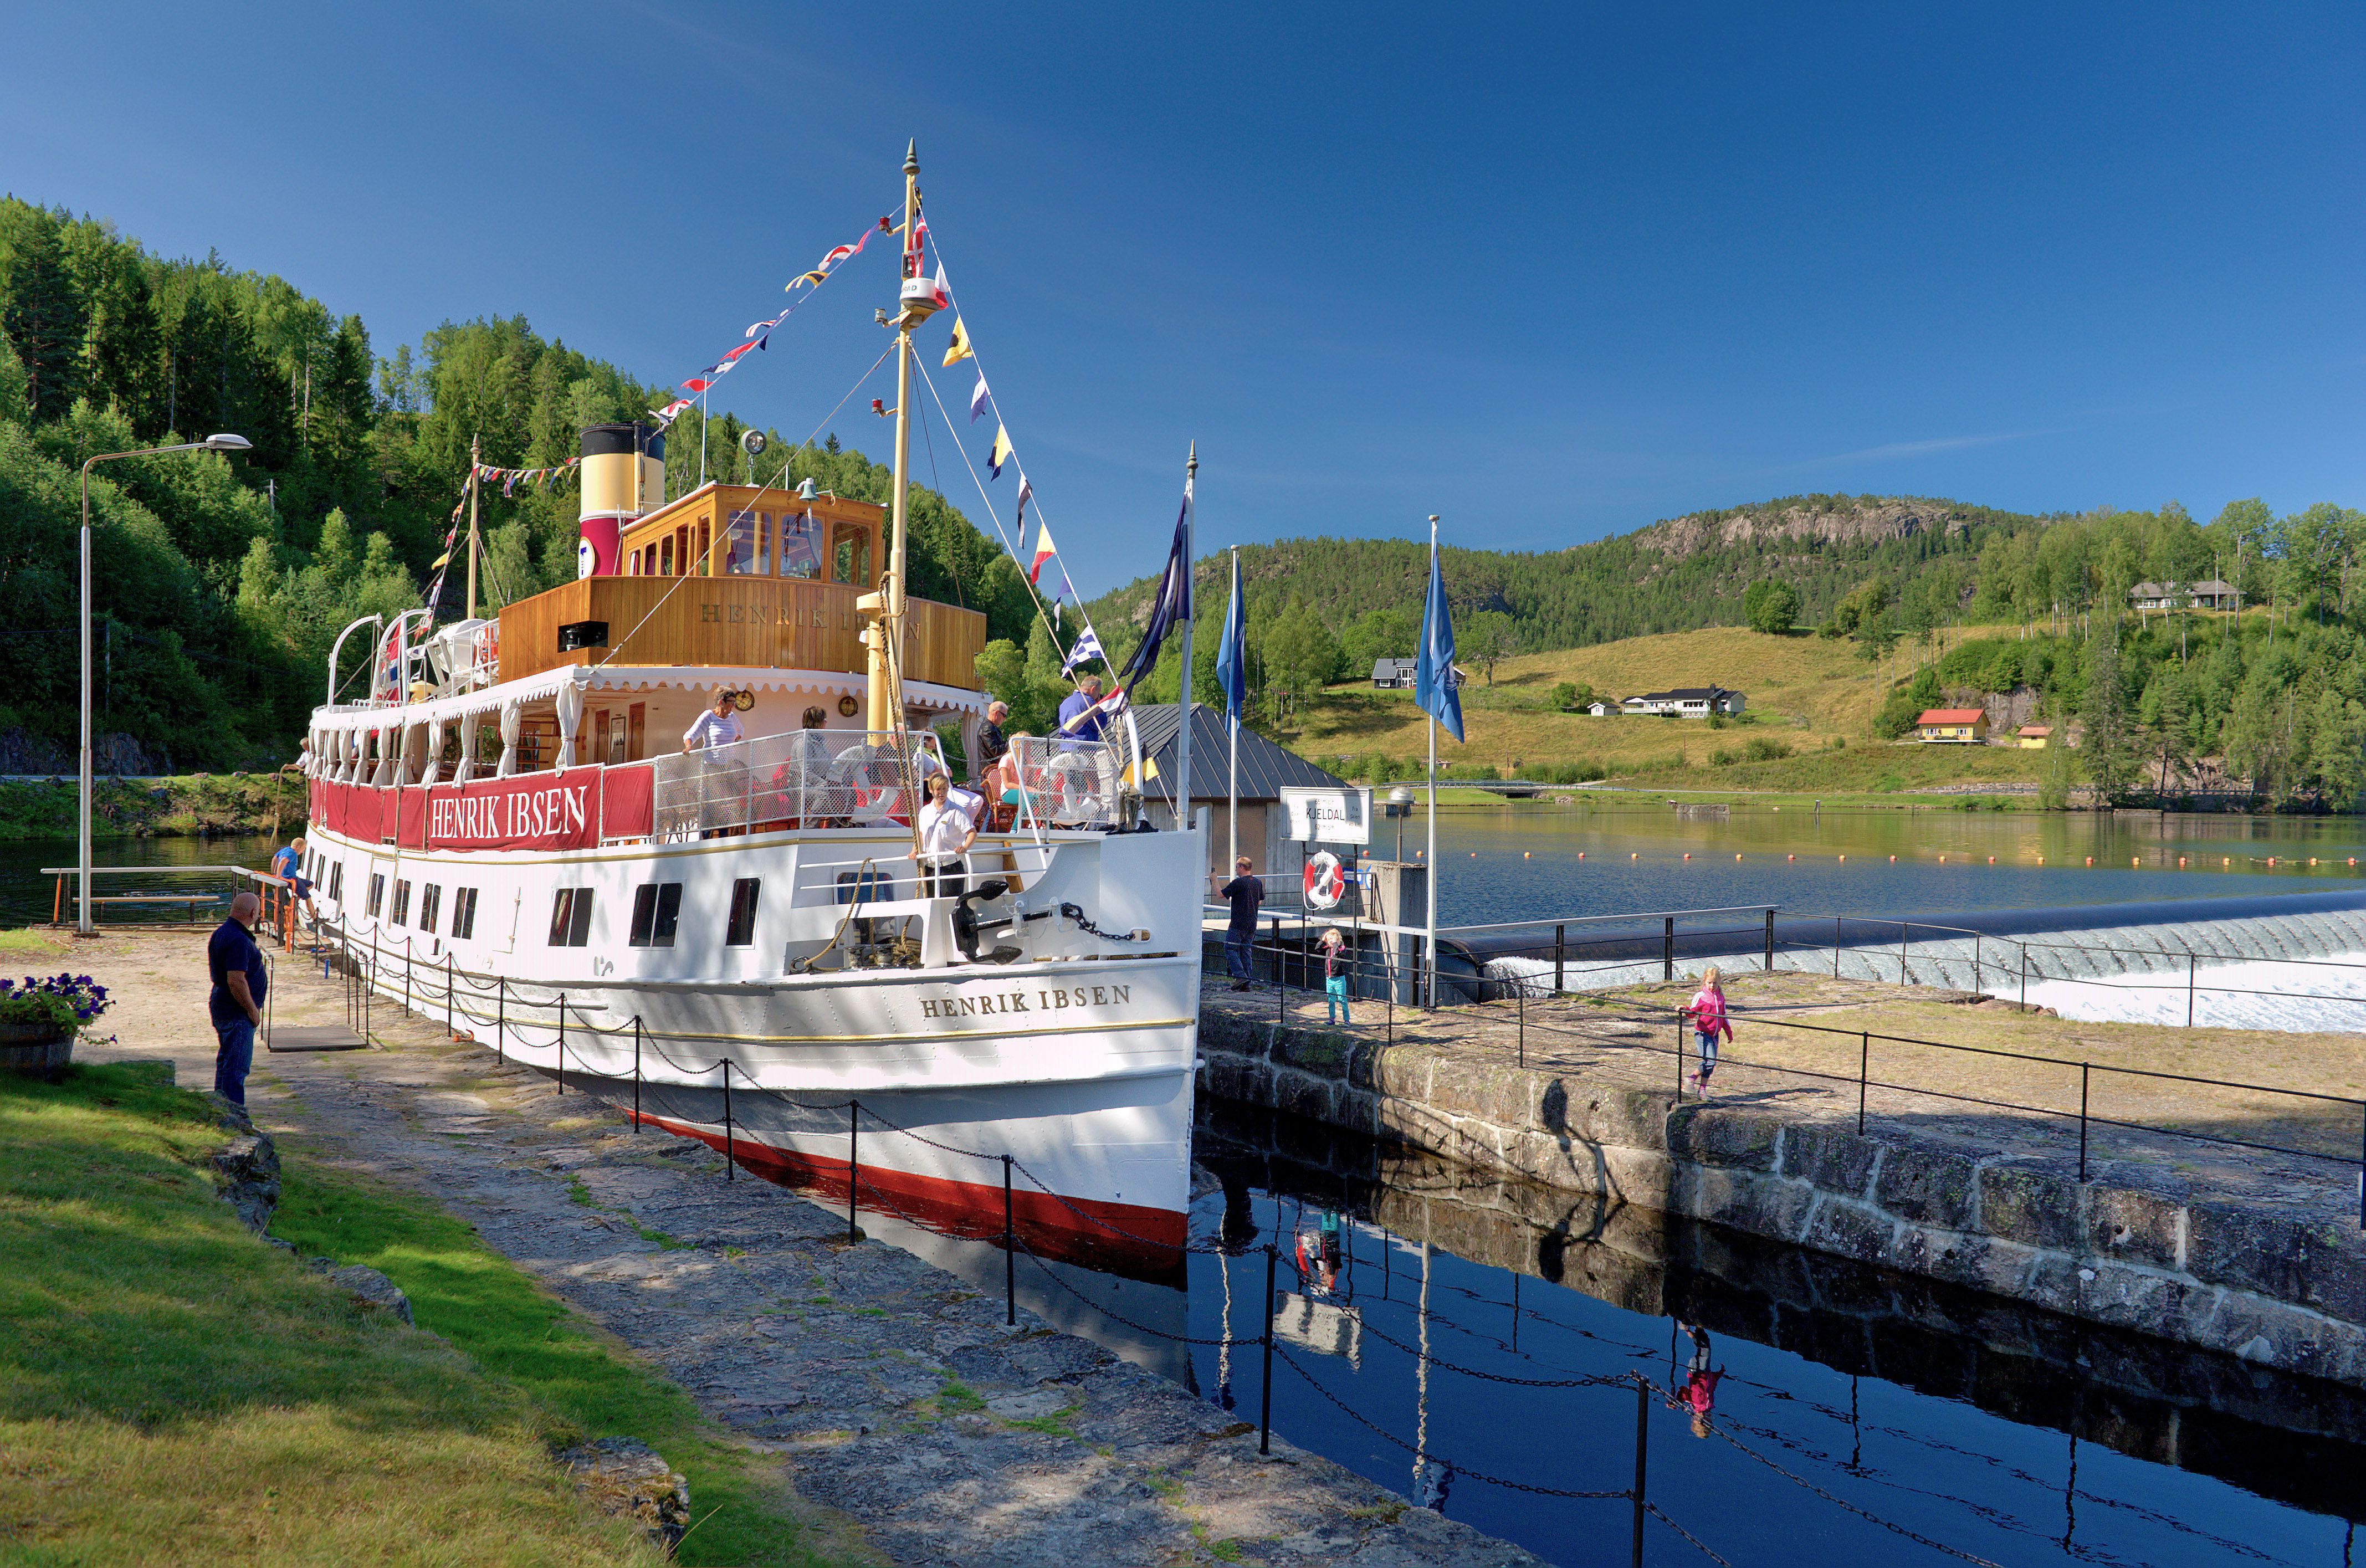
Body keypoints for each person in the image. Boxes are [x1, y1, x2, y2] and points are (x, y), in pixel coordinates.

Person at [207, 891, 268, 1107]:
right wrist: (252, 1010)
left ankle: (222, 1111)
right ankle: (235, 1117)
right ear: (253, 913)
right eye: (259, 912)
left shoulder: (222, 933)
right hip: (236, 1011)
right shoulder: (239, 940)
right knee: (236, 1068)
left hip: (223, 1005)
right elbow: (236, 980)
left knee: (226, 1064)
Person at [683, 691, 748, 838]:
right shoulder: (709, 716)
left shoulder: (732, 717)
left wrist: (737, 737)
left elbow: (741, 730)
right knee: (711, 805)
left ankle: (723, 839)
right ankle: (705, 838)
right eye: (731, 702)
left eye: (734, 702)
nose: (733, 706)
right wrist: (689, 747)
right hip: (711, 767)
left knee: (726, 805)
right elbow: (690, 734)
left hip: (728, 768)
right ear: (721, 702)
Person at [913, 771, 977, 899]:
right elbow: (921, 834)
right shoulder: (925, 811)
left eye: (944, 789)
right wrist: (915, 851)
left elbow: (972, 833)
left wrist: (964, 847)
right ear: (931, 790)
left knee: (949, 906)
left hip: (950, 868)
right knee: (932, 906)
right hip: (930, 868)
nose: (941, 793)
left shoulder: (957, 811)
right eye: (938, 789)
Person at [1682, 965, 1734, 1094]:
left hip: (1715, 1034)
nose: (1712, 986)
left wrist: (1729, 1033)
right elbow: (1692, 1012)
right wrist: (1684, 1009)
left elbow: (1723, 1016)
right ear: (1704, 982)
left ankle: (1702, 1090)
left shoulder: (1721, 997)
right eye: (1709, 983)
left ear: (1719, 982)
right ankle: (1691, 1078)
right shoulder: (1701, 996)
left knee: (1711, 1064)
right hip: (1703, 1033)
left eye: (1715, 983)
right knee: (1709, 1061)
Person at [1669, 1321, 1724, 1438]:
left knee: (1704, 1349)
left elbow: (1683, 1393)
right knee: (1705, 1345)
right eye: (1709, 1421)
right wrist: (1719, 1374)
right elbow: (1711, 1387)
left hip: (1697, 1371)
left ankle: (1689, 1329)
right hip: (1705, 1371)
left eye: (1703, 1421)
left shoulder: (1695, 1404)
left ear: (1695, 1419)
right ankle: (1697, 1327)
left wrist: (1676, 1401)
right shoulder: (1708, 1405)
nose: (1707, 1417)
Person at [1217, 857, 1263, 990]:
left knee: (1230, 948)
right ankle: (1246, 984)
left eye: (1237, 867)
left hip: (1238, 923)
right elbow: (1259, 901)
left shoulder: (1238, 883)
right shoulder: (1257, 883)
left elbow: (1221, 895)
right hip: (1252, 923)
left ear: (1242, 867)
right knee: (1246, 951)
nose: (1236, 869)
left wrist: (1214, 880)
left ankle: (1240, 976)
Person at [268, 836, 315, 928]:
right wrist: (278, 876)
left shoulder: (285, 850)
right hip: (291, 880)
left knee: (310, 884)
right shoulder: (293, 853)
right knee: (308, 898)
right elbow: (283, 862)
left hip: (291, 878)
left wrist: (273, 872)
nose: (302, 852)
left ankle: (299, 896)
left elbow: (275, 859)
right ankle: (315, 918)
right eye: (303, 849)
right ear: (298, 847)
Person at [1057, 673, 1108, 745]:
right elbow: (1101, 723)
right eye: (1098, 692)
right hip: (1083, 747)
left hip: (1065, 745)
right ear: (1093, 689)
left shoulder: (1066, 702)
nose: (1098, 696)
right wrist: (1101, 707)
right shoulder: (1089, 702)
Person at [1319, 926, 1351, 1025]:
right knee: (1331, 1000)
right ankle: (1332, 1019)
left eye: (1332, 939)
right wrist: (1323, 939)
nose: (1330, 941)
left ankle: (1347, 1021)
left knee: (1342, 1000)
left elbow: (1338, 952)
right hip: (1329, 978)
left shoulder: (1341, 947)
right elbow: (1317, 948)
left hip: (1339, 979)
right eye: (1329, 940)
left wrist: (1335, 943)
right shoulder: (1328, 948)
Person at [975, 700, 1010, 778]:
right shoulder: (987, 728)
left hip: (993, 770)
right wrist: (1010, 742)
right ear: (996, 713)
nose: (1005, 719)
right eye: (1004, 715)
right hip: (991, 772)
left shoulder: (992, 728)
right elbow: (996, 751)